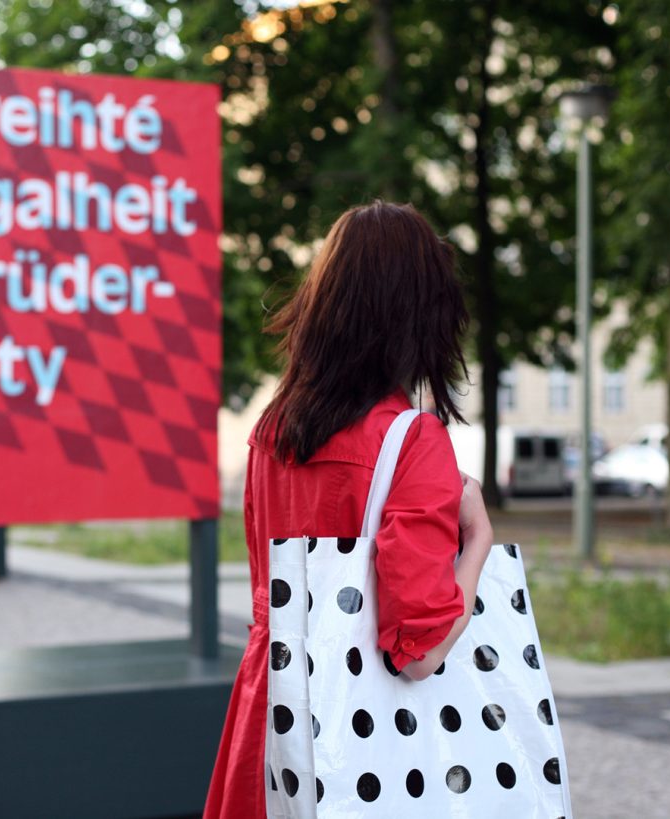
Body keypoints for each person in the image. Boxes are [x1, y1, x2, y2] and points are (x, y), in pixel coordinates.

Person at [203, 201, 494, 817]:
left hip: (268, 714)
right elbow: (419, 653)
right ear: (420, 314)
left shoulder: (271, 431)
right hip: (358, 742)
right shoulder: (413, 441)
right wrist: (478, 544)